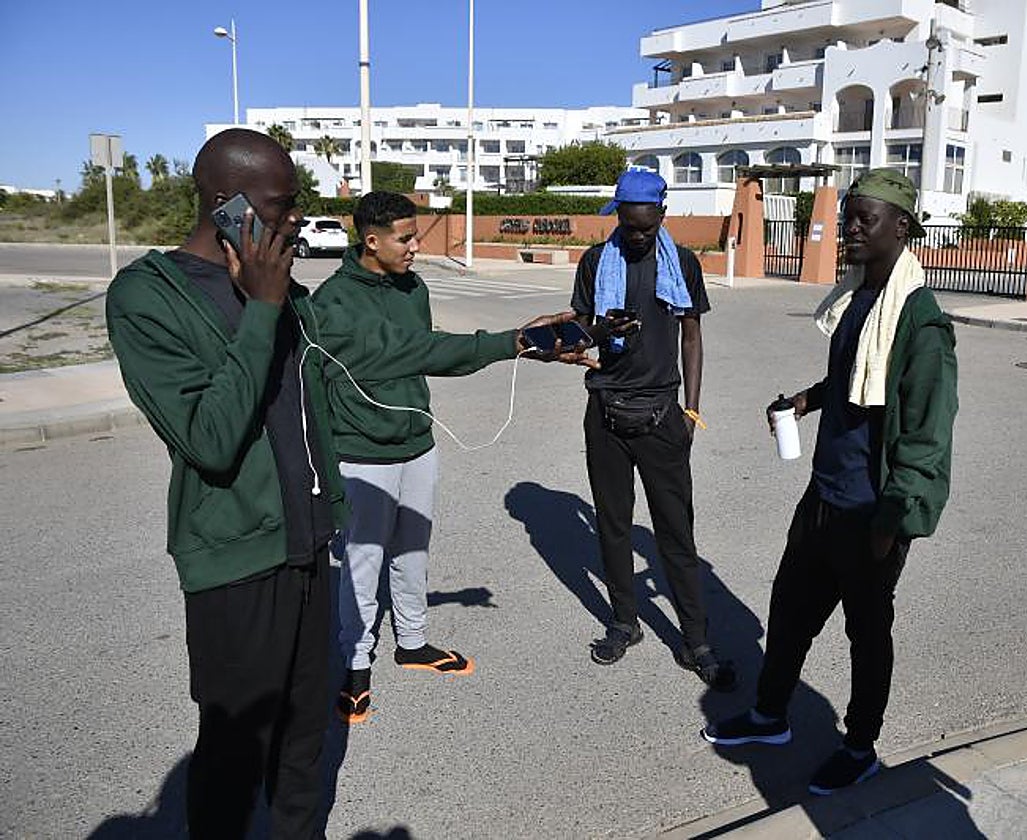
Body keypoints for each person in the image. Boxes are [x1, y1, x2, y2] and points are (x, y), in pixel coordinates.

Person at [105, 128, 346, 838]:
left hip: (307, 548)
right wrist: (264, 307)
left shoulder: (286, 289)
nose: (295, 218)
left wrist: (509, 343)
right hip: (238, 562)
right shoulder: (148, 297)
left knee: (305, 745)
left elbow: (362, 361)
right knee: (236, 758)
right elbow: (209, 441)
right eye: (281, 205)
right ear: (225, 203)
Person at [703, 169, 959, 795]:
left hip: (872, 511)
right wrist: (805, 401)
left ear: (901, 228)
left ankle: (861, 745)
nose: (849, 227)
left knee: (867, 634)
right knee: (789, 612)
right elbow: (851, 381)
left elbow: (927, 434)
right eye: (847, 215)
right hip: (823, 495)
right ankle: (769, 717)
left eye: (863, 218)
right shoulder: (856, 300)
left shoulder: (920, 322)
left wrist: (894, 523)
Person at [311, 191, 586, 723]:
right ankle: (355, 662)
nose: (416, 246)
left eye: (416, 235)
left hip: (417, 442)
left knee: (412, 550)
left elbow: (427, 349)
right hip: (361, 452)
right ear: (371, 241)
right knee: (362, 564)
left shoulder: (412, 287)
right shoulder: (335, 304)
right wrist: (517, 341)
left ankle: (411, 642)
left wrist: (522, 342)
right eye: (405, 238)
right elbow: (419, 354)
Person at [570, 168, 735, 691]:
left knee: (675, 533)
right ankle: (624, 621)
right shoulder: (597, 262)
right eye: (629, 225)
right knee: (613, 525)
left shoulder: (681, 264)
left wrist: (691, 410)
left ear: (662, 217)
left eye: (646, 228)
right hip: (606, 413)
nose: (637, 237)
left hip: (663, 414)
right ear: (617, 216)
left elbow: (691, 334)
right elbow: (578, 333)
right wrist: (603, 328)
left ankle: (695, 639)